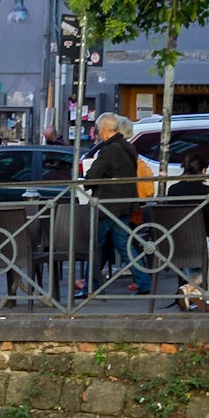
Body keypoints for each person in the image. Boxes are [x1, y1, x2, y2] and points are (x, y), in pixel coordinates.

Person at [82, 113, 141, 292]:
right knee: (123, 244)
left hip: (107, 205)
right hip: (124, 203)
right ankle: (144, 282)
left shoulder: (109, 150)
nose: (98, 132)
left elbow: (92, 177)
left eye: (99, 129)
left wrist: (87, 180)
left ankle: (91, 287)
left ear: (105, 130)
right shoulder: (128, 147)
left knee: (95, 246)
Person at [169, 148, 209, 311]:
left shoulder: (172, 190)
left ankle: (190, 291)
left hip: (175, 245)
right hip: (200, 244)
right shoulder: (206, 192)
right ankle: (190, 288)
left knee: (193, 249)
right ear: (203, 170)